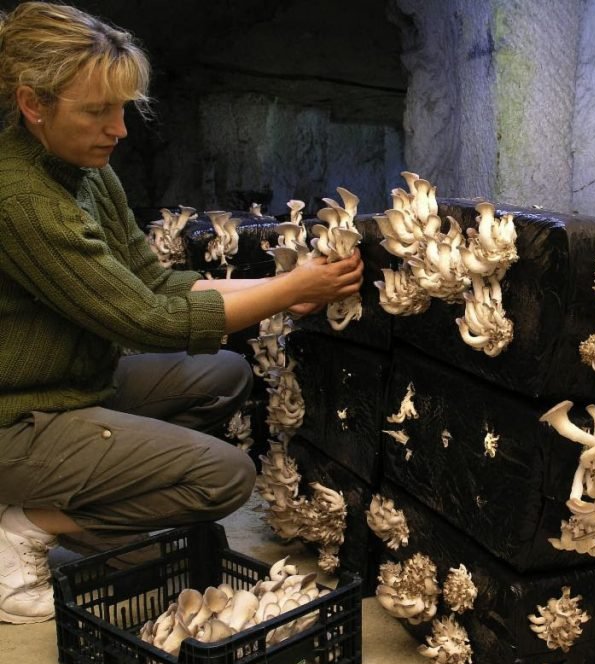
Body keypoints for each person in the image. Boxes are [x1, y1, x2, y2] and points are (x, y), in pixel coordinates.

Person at [0, 2, 364, 624]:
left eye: (121, 108)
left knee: (223, 374)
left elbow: (154, 282)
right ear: (34, 105)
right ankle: (21, 527)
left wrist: (285, 282)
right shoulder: (20, 198)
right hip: (16, 417)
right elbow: (145, 320)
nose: (117, 129)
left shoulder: (88, 172)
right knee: (224, 477)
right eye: (95, 111)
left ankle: (92, 514)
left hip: (68, 383)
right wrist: (287, 292)